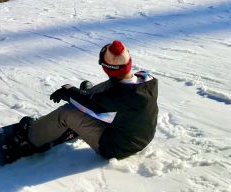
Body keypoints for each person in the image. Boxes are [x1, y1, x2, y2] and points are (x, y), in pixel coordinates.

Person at [13, 40, 158, 161]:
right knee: (100, 90)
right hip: (137, 135)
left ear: (107, 69)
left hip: (115, 147)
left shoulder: (115, 96)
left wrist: (67, 91)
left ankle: (30, 137)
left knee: (67, 112)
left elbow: (92, 103)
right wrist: (85, 95)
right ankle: (86, 100)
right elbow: (107, 97)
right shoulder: (147, 80)